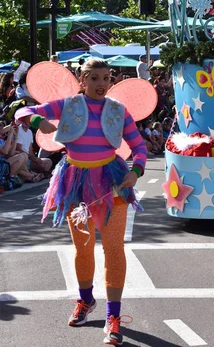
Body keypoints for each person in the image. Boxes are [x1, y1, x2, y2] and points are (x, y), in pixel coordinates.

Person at [16, 58, 147, 346]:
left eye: (106, 78)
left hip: (112, 183)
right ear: (82, 79)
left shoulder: (118, 111)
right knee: (83, 249)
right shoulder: (68, 105)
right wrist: (38, 120)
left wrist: (136, 171)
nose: (101, 84)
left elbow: (139, 147)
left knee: (114, 249)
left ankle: (114, 318)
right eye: (95, 78)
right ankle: (85, 300)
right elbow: (22, 110)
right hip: (76, 184)